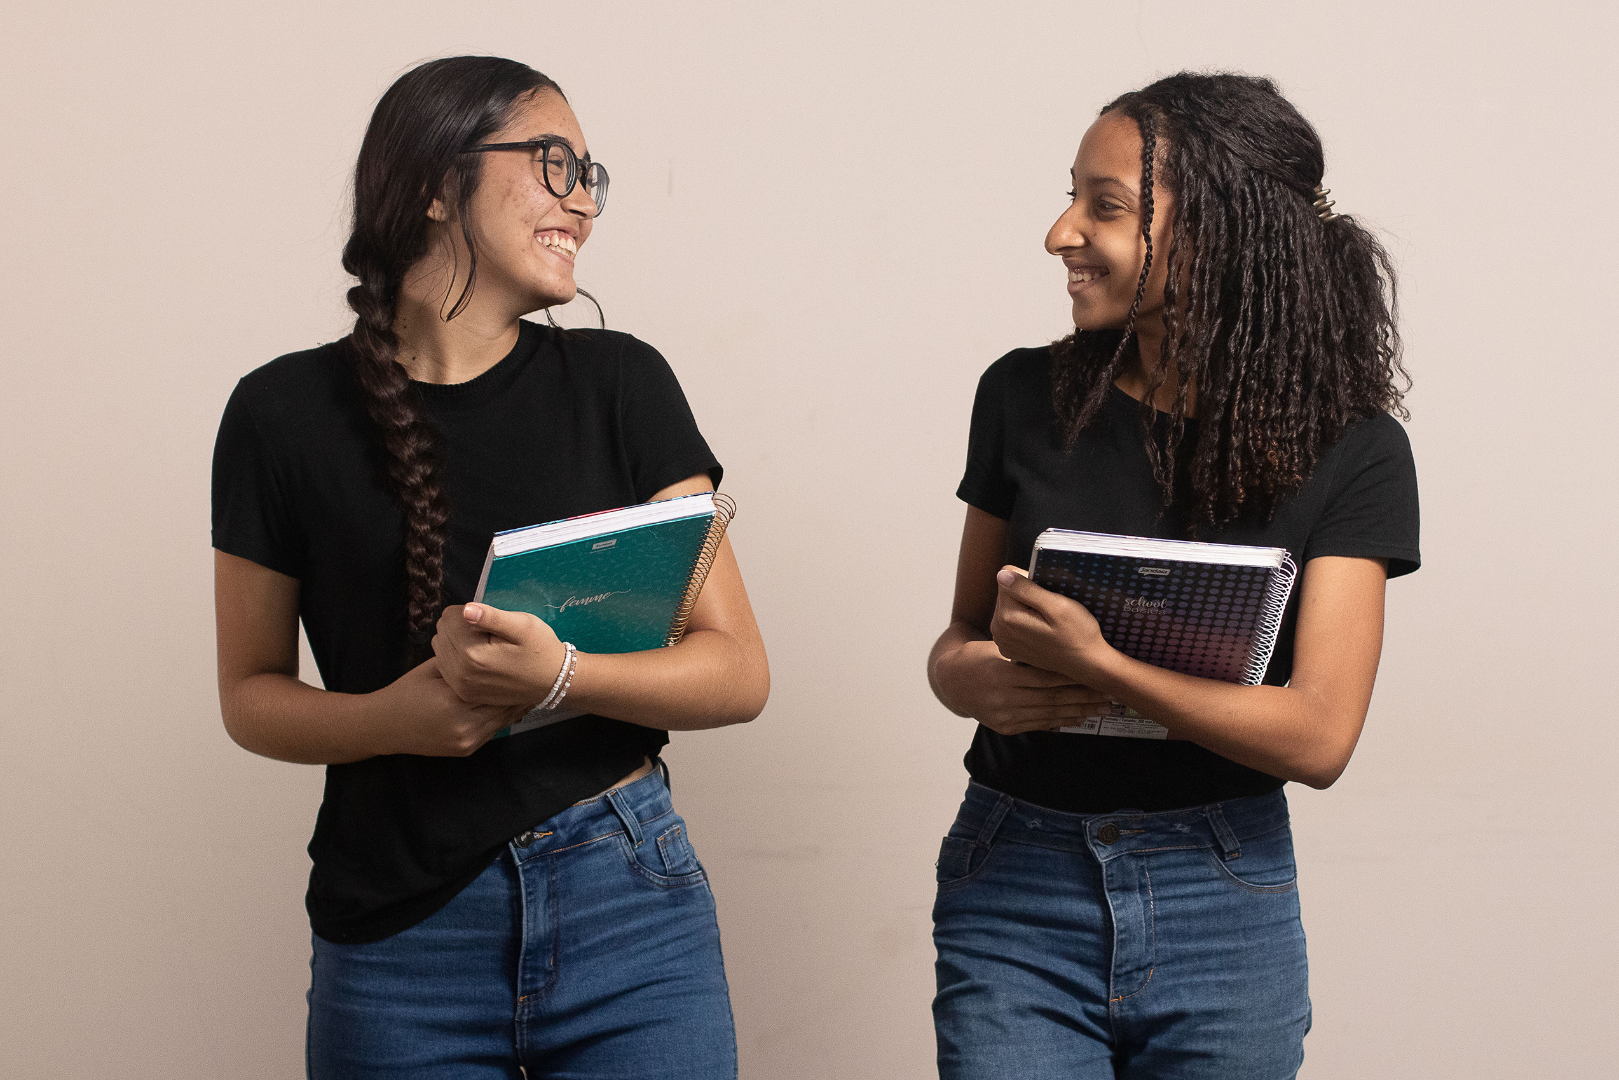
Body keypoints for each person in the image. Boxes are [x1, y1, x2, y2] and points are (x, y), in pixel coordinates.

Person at [211, 56, 767, 1079]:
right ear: (435, 182)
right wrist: (396, 721)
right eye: (553, 162)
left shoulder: (622, 383)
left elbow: (736, 673)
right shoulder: (277, 415)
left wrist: (561, 677)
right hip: (397, 939)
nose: (581, 203)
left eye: (590, 176)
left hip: (628, 909)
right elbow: (249, 695)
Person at [925, 72, 1419, 1079]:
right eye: (1069, 196)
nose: (1061, 233)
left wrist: (1102, 668)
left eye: (1104, 205)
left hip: (1221, 894)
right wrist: (972, 679)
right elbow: (958, 641)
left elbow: (1319, 735)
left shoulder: (1355, 448)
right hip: (1015, 877)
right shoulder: (1020, 394)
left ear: (1222, 233)